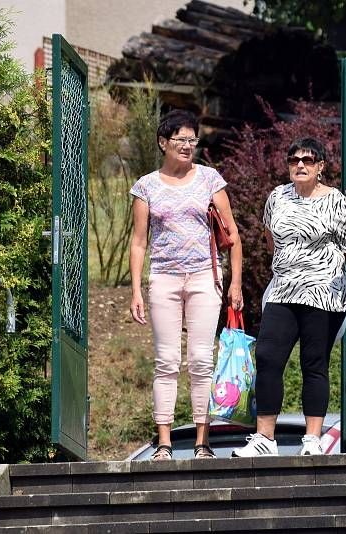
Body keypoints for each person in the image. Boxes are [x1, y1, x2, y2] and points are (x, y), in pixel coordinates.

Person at [129, 109, 243, 460]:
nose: (187, 145)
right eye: (180, 139)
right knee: (166, 360)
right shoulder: (145, 186)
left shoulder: (210, 179)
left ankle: (201, 442)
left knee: (199, 359)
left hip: (204, 277)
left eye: (193, 140)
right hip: (163, 278)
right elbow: (138, 241)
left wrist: (235, 283)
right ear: (163, 142)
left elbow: (232, 234)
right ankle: (164, 443)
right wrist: (136, 289)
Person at [231, 137, 346, 457]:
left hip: (324, 292)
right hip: (283, 288)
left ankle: (312, 440)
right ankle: (264, 439)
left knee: (314, 363)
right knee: (269, 357)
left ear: (321, 167)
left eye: (309, 160)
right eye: (294, 159)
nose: (300, 165)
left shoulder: (337, 201)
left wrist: (319, 269)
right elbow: (270, 240)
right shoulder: (277, 197)